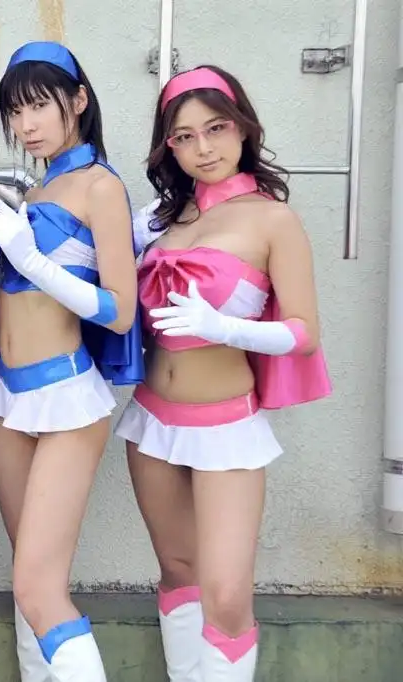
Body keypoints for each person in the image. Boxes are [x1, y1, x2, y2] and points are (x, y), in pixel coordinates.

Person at [114, 65, 332, 682]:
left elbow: (304, 331)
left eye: (215, 128)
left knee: (228, 595)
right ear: (169, 147)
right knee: (178, 571)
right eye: (184, 137)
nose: (203, 148)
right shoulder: (165, 219)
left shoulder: (272, 219)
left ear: (242, 128)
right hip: (152, 420)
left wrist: (227, 329)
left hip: (227, 427)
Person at [0, 41, 143, 682]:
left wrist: (31, 258)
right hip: (9, 396)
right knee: (29, 581)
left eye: (40, 106)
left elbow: (119, 311)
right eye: (16, 112)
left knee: (38, 587)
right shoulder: (39, 187)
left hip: (67, 396)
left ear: (78, 100)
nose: (26, 125)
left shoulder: (101, 186)